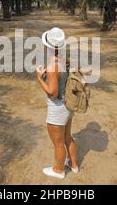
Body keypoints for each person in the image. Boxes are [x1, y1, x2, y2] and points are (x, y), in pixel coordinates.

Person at [36, 27, 78, 179]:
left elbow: (52, 93)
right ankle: (73, 165)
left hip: (57, 108)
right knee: (68, 137)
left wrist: (40, 78)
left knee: (58, 143)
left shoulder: (53, 66)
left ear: (47, 46)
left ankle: (59, 170)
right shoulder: (61, 60)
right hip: (67, 105)